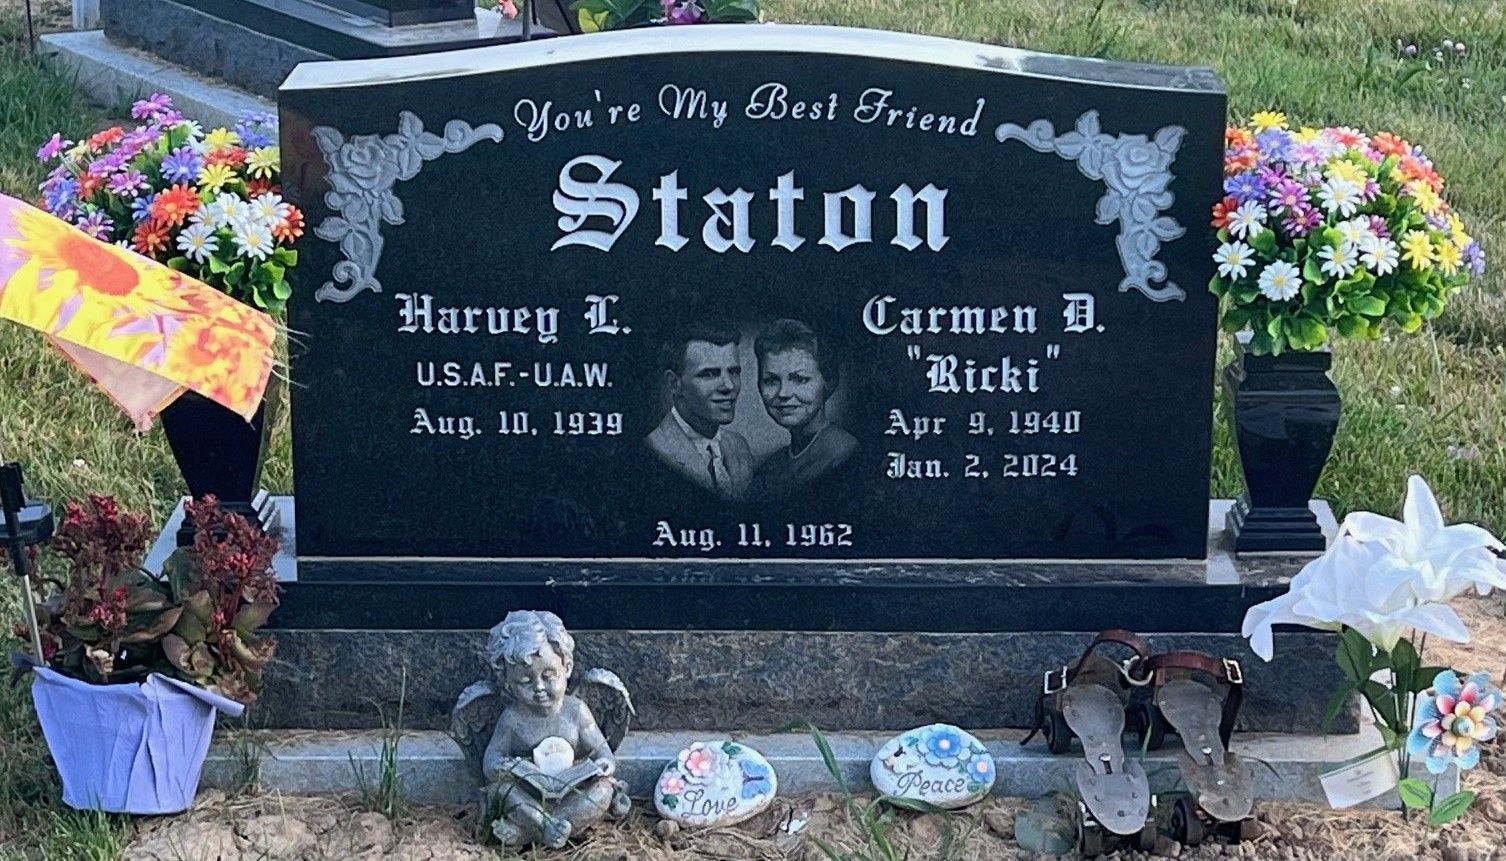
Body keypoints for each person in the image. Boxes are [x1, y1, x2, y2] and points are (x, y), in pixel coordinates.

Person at [645, 321, 754, 502]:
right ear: (674, 384)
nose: (729, 386)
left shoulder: (739, 446)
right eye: (709, 374)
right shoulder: (655, 449)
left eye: (734, 372)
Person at [750, 319, 858, 500]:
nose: (783, 393)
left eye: (800, 379)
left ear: (829, 382)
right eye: (771, 381)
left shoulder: (843, 455)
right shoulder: (771, 466)